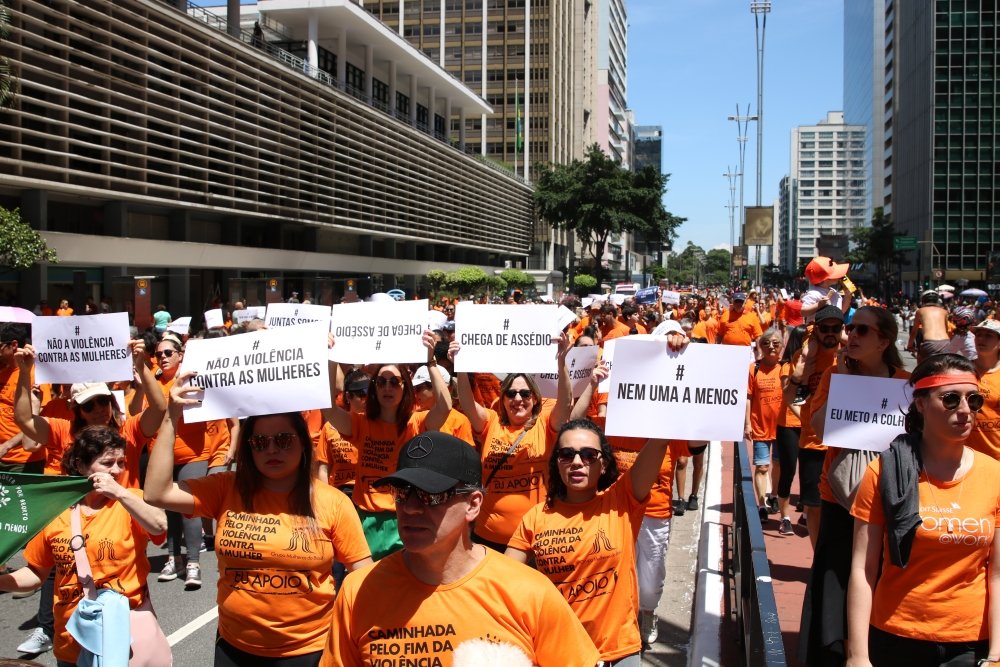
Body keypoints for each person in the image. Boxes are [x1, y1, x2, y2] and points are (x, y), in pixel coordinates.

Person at [319, 431, 600, 666]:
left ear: (474, 504)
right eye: (402, 493)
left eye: (432, 495)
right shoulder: (359, 591)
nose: (412, 508)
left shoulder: (529, 592)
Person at [145, 386, 372, 666]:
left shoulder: (332, 501)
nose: (272, 449)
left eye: (284, 439)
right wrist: (171, 416)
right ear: (248, 448)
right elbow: (157, 493)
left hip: (309, 651)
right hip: (233, 649)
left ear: (303, 443)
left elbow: (363, 577)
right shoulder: (225, 488)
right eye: (260, 442)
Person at [845, 354, 1000, 667]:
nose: (965, 410)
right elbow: (863, 569)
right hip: (897, 636)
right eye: (951, 399)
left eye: (973, 399)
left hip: (970, 644)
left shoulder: (994, 475)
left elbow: (997, 573)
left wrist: (996, 653)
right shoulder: (885, 472)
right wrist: (857, 655)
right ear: (921, 404)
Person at [0, 426, 169, 667]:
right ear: (79, 465)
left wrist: (119, 492)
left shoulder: (130, 499)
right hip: (71, 640)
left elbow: (159, 525)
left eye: (121, 462)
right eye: (108, 463)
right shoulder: (55, 510)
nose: (117, 470)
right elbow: (36, 573)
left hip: (123, 637)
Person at [504, 420, 669, 664]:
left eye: (589, 455)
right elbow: (507, 579)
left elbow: (659, 442)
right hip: (559, 652)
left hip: (617, 652)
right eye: (567, 454)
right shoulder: (536, 517)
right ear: (556, 463)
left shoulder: (622, 501)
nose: (577, 462)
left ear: (603, 465)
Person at [799, 306, 909, 667]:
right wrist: (844, 383)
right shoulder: (835, 374)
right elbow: (817, 427)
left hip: (888, 502)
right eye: (851, 328)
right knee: (837, 582)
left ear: (884, 341)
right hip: (841, 501)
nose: (851, 336)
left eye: (862, 330)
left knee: (877, 582)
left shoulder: (905, 383)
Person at [324, 332, 451, 559]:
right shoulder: (360, 423)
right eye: (381, 382)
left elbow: (445, 407)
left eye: (394, 382)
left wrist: (430, 360)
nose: (387, 387)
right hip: (364, 520)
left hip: (404, 518)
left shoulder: (417, 423)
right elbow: (327, 407)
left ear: (405, 387)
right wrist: (331, 357)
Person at [451, 334, 573, 551]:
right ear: (503, 398)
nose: (518, 399)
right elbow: (468, 403)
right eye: (511, 393)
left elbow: (565, 402)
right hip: (488, 535)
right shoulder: (490, 422)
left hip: (536, 536)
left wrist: (561, 361)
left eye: (525, 393)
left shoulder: (545, 423)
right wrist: (460, 367)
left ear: (535, 398)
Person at [152, 334, 231, 588]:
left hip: (194, 454)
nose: (162, 358)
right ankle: (174, 559)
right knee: (170, 511)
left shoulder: (192, 379)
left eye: (168, 353)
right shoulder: (155, 385)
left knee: (189, 508)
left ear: (180, 356)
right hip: (165, 456)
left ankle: (193, 563)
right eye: (158, 354)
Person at [788, 305, 845, 547]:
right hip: (812, 442)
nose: (830, 333)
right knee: (813, 506)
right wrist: (805, 417)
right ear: (817, 330)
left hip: (843, 443)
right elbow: (789, 396)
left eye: (836, 328)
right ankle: (817, 557)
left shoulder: (850, 355)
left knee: (844, 506)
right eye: (825, 328)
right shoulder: (804, 357)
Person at [745, 328, 784, 525]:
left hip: (782, 427)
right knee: (762, 466)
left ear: (781, 346)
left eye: (776, 343)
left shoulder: (786, 368)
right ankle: (761, 505)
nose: (771, 346)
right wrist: (747, 424)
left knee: (778, 464)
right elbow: (748, 397)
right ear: (760, 346)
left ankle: (774, 495)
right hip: (760, 425)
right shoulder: (754, 368)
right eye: (767, 343)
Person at [775, 325, 807, 535]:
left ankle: (806, 513)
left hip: (810, 425)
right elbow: (789, 398)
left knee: (809, 472)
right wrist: (806, 419)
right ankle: (784, 516)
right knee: (788, 470)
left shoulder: (816, 364)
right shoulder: (788, 366)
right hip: (789, 424)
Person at [0, 322, 42, 473]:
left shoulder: (36, 374)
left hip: (23, 461)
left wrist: (7, 445)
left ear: (13, 345)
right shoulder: (3, 373)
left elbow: (41, 421)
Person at [969, 318, 1000, 460]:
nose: (981, 339)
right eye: (979, 334)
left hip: (995, 457)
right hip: (965, 456)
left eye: (989, 335)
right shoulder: (962, 369)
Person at [907, 290, 951, 363]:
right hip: (945, 342)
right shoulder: (944, 311)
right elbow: (946, 330)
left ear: (923, 300)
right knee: (944, 366)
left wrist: (910, 345)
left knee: (922, 366)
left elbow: (914, 332)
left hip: (930, 343)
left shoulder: (920, 311)